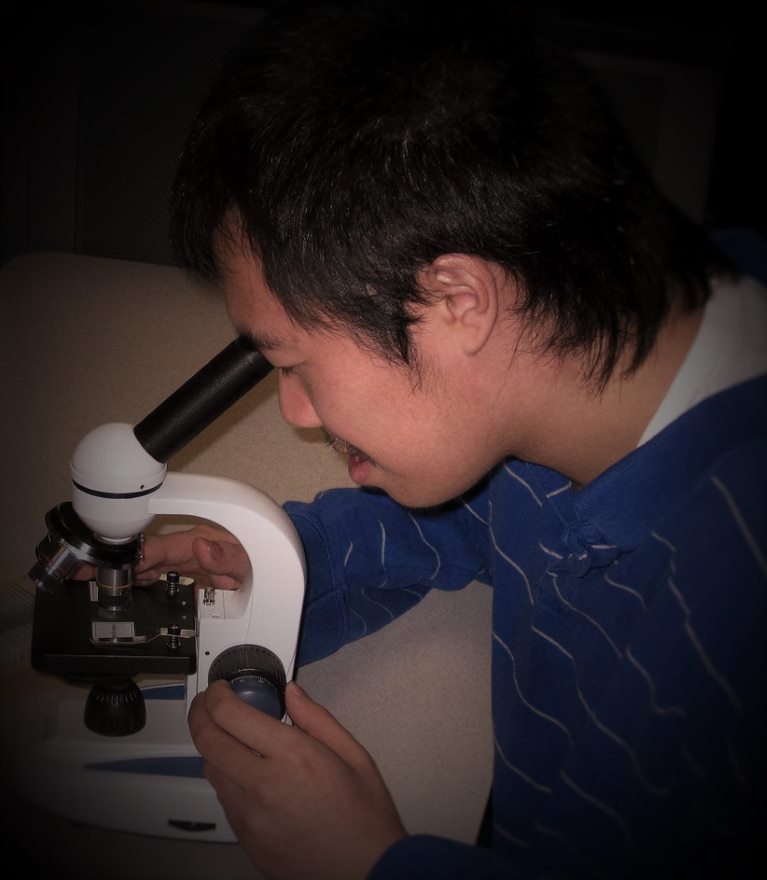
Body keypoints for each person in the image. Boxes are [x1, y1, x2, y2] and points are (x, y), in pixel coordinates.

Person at [128, 2, 767, 878]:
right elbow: (475, 521)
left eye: (293, 362)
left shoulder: (735, 599)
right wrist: (283, 559)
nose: (295, 413)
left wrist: (368, 864)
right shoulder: (578, 369)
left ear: (455, 302)